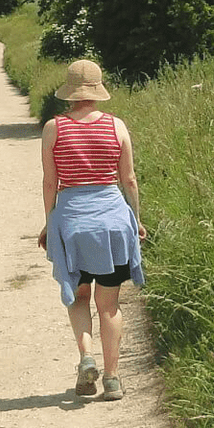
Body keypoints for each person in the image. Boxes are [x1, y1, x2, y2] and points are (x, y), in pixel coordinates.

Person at [38, 58, 146, 401]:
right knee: (109, 305)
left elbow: (50, 182)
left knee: (80, 296)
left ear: (70, 92)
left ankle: (86, 357)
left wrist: (49, 222)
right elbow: (128, 179)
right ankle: (112, 379)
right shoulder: (117, 126)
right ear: (98, 91)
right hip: (112, 221)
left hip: (73, 222)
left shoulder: (54, 128)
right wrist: (136, 219)